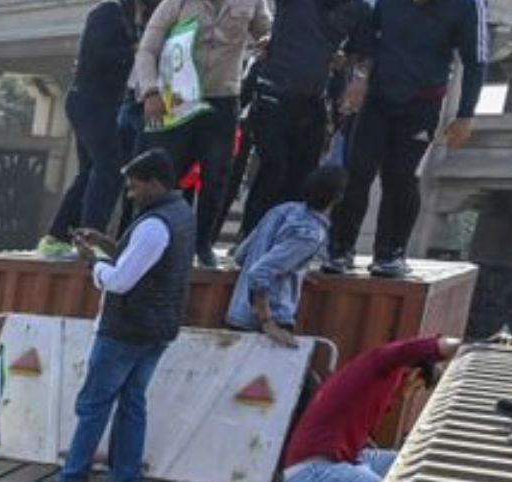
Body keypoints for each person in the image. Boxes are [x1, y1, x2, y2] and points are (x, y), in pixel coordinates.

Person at [33, 149, 194, 482]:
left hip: (126, 330)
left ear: (154, 183)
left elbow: (120, 281)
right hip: (158, 330)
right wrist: (107, 243)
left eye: (135, 188)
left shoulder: (153, 224)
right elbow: (146, 259)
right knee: (133, 404)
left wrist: (94, 262)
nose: (131, 195)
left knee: (94, 405)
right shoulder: (181, 213)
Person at [326, 0, 489, 277]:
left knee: (401, 178)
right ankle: (340, 248)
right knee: (356, 173)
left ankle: (391, 253)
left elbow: (476, 59)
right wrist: (359, 79)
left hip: (422, 105)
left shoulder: (468, 5)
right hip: (375, 100)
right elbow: (367, 36)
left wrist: (465, 115)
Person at [275, 336, 458, 482]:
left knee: (408, 462)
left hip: (342, 459)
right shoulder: (381, 366)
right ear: (413, 372)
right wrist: (459, 344)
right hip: (312, 470)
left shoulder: (380, 386)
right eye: (417, 388)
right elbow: (409, 349)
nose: (408, 396)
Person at [132, 0, 272, 268]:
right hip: (176, 98)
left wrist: (267, 40)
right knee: (163, 174)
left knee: (217, 176)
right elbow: (148, 49)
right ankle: (152, 240)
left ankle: (203, 244)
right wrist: (149, 91)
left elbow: (267, 31)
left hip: (223, 99)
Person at [238, 0, 369, 237]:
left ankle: (283, 238)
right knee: (273, 167)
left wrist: (346, 63)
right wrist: (268, 34)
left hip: (313, 99)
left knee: (302, 176)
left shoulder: (357, 8)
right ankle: (249, 237)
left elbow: (359, 50)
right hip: (273, 91)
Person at [39, 0, 154, 256]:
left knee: (90, 171)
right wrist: (134, 50)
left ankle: (57, 237)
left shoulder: (138, 19)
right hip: (89, 100)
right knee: (109, 167)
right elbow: (94, 54)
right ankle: (91, 238)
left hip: (104, 103)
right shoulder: (109, 12)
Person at [226, 166, 348, 347]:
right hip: (269, 322)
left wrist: (295, 269)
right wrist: (268, 322)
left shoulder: (282, 210)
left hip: (238, 314)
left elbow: (241, 256)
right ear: (338, 197)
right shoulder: (310, 234)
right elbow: (259, 273)